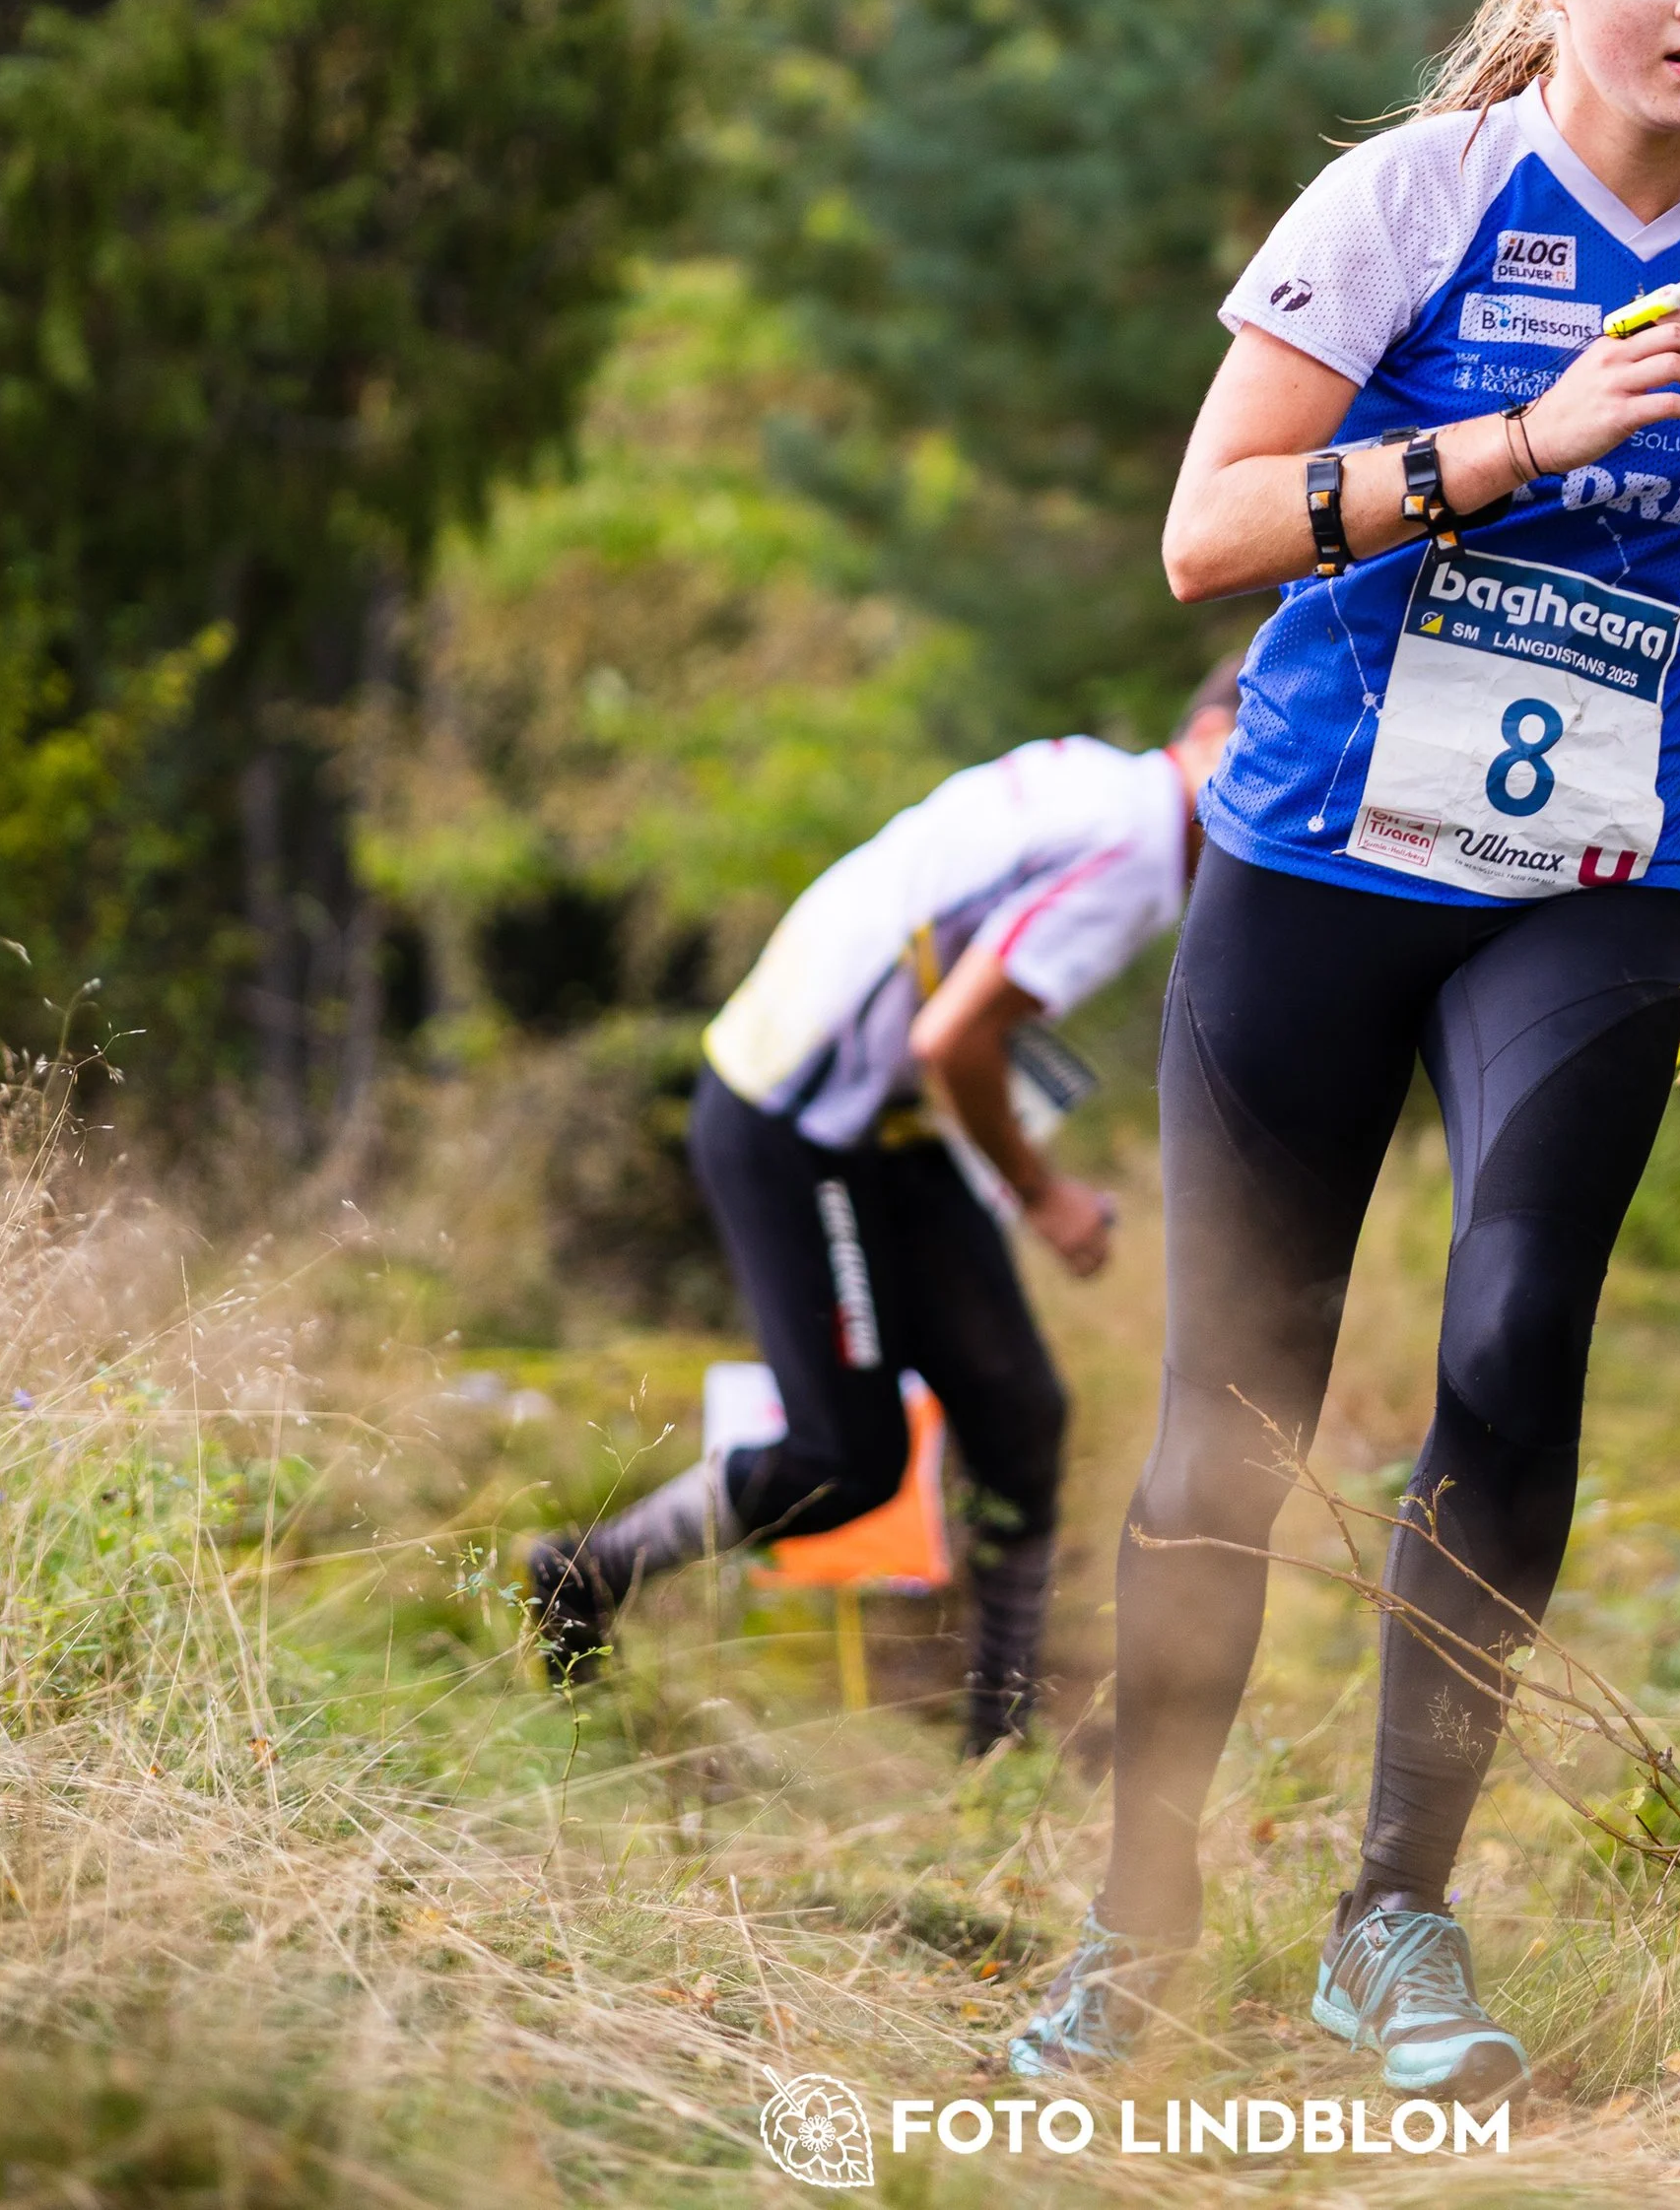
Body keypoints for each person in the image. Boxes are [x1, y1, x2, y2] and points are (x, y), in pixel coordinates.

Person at [1009, 0, 1680, 2102]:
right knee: (1230, 1426)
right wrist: (1511, 442)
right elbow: (1203, 537)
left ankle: (1394, 1918)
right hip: (1317, 865)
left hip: (1581, 883)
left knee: (1515, 1356)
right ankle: (1133, 1930)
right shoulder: (1410, 200)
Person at [523, 664, 1241, 1756]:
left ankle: (996, 1750)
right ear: (1218, 729)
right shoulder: (1144, 845)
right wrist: (1045, 1197)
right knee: (841, 1460)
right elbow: (952, 1036)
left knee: (1018, 1414)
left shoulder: (1099, 780)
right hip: (792, 1122)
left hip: (878, 1126)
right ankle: (585, 1572)